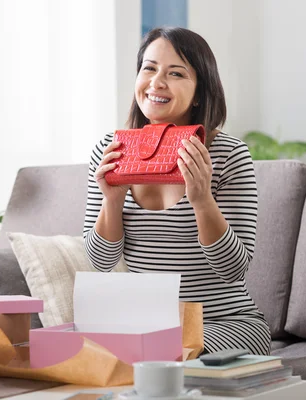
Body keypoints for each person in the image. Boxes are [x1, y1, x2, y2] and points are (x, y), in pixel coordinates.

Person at [83, 26, 271, 356]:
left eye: (176, 73)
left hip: (224, 324)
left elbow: (233, 268)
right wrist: (111, 202)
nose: (157, 82)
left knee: (159, 353)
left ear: (199, 91)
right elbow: (100, 261)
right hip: (148, 326)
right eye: (149, 68)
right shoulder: (109, 151)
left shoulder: (229, 155)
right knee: (92, 353)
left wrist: (202, 201)